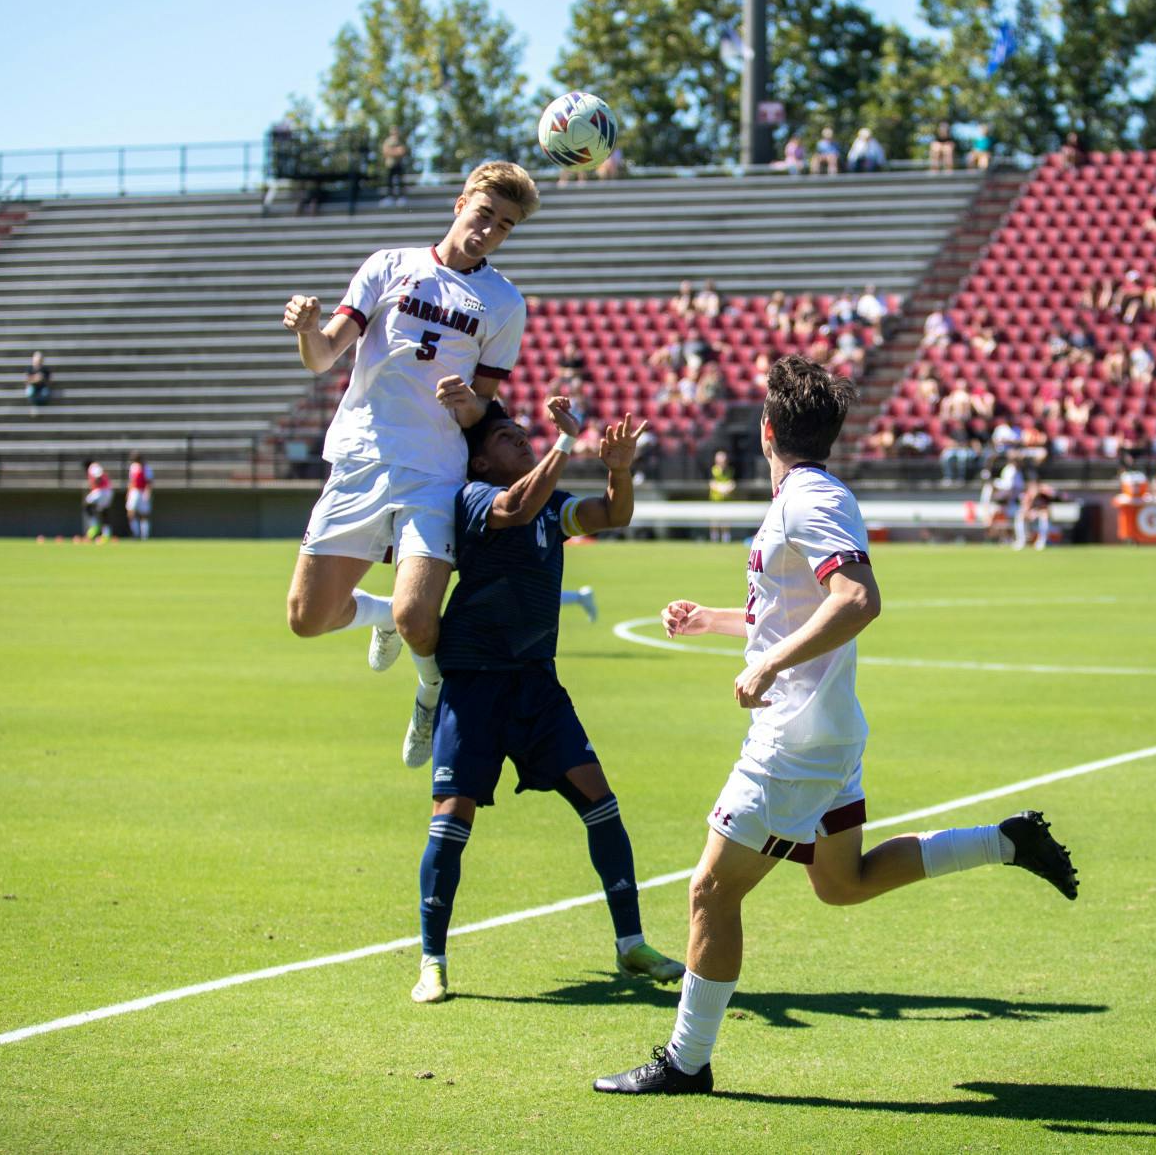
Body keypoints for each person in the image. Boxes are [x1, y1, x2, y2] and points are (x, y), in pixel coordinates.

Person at [593, 356, 1078, 1096]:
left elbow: (855, 599)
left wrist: (764, 668)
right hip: (827, 732)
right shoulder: (806, 496)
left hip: (794, 738)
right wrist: (716, 623)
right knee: (842, 883)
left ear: (765, 431)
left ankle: (687, 1062)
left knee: (709, 893)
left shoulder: (808, 499)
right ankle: (1006, 840)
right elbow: (790, 611)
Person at [408, 400, 683, 1004]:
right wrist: (564, 443)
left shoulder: (551, 504)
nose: (523, 441)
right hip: (475, 684)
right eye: (508, 438)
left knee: (601, 803)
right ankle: (432, 961)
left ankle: (631, 942)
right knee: (452, 820)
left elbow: (614, 513)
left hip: (535, 684)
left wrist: (619, 468)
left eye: (523, 435)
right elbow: (515, 506)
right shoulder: (475, 499)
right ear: (480, 460)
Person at [280, 161, 536, 726]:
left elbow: (484, 410)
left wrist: (469, 404)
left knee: (418, 617)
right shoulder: (388, 266)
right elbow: (323, 356)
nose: (490, 230)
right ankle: (376, 617)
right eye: (484, 213)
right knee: (306, 616)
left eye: (505, 226)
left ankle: (429, 695)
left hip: (434, 472)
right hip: (361, 457)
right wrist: (306, 328)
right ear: (460, 203)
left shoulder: (504, 303)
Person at [120, 454, 154, 541]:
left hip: (143, 491)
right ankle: (135, 533)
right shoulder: (133, 467)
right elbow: (131, 481)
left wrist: (148, 493)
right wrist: (128, 492)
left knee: (144, 514)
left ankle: (144, 535)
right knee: (130, 512)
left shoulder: (147, 468)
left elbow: (149, 482)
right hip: (134, 491)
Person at [707, 449, 737, 543]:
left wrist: (727, 488)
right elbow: (711, 483)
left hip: (727, 500)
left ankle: (726, 538)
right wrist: (719, 488)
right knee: (714, 521)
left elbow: (733, 483)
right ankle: (714, 538)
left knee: (726, 521)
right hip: (715, 500)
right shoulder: (712, 470)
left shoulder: (730, 470)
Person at [81, 460, 115, 540]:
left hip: (101, 491)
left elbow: (98, 476)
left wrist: (94, 485)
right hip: (108, 491)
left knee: (86, 503)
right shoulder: (96, 466)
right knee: (104, 512)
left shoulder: (93, 466)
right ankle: (106, 534)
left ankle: (94, 526)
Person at [381, 127, 410, 206]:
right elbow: (385, 151)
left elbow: (402, 151)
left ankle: (401, 197)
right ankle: (389, 197)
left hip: (399, 164)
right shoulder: (387, 141)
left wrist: (393, 151)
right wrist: (396, 151)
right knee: (389, 182)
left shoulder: (401, 141)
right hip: (390, 164)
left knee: (400, 182)